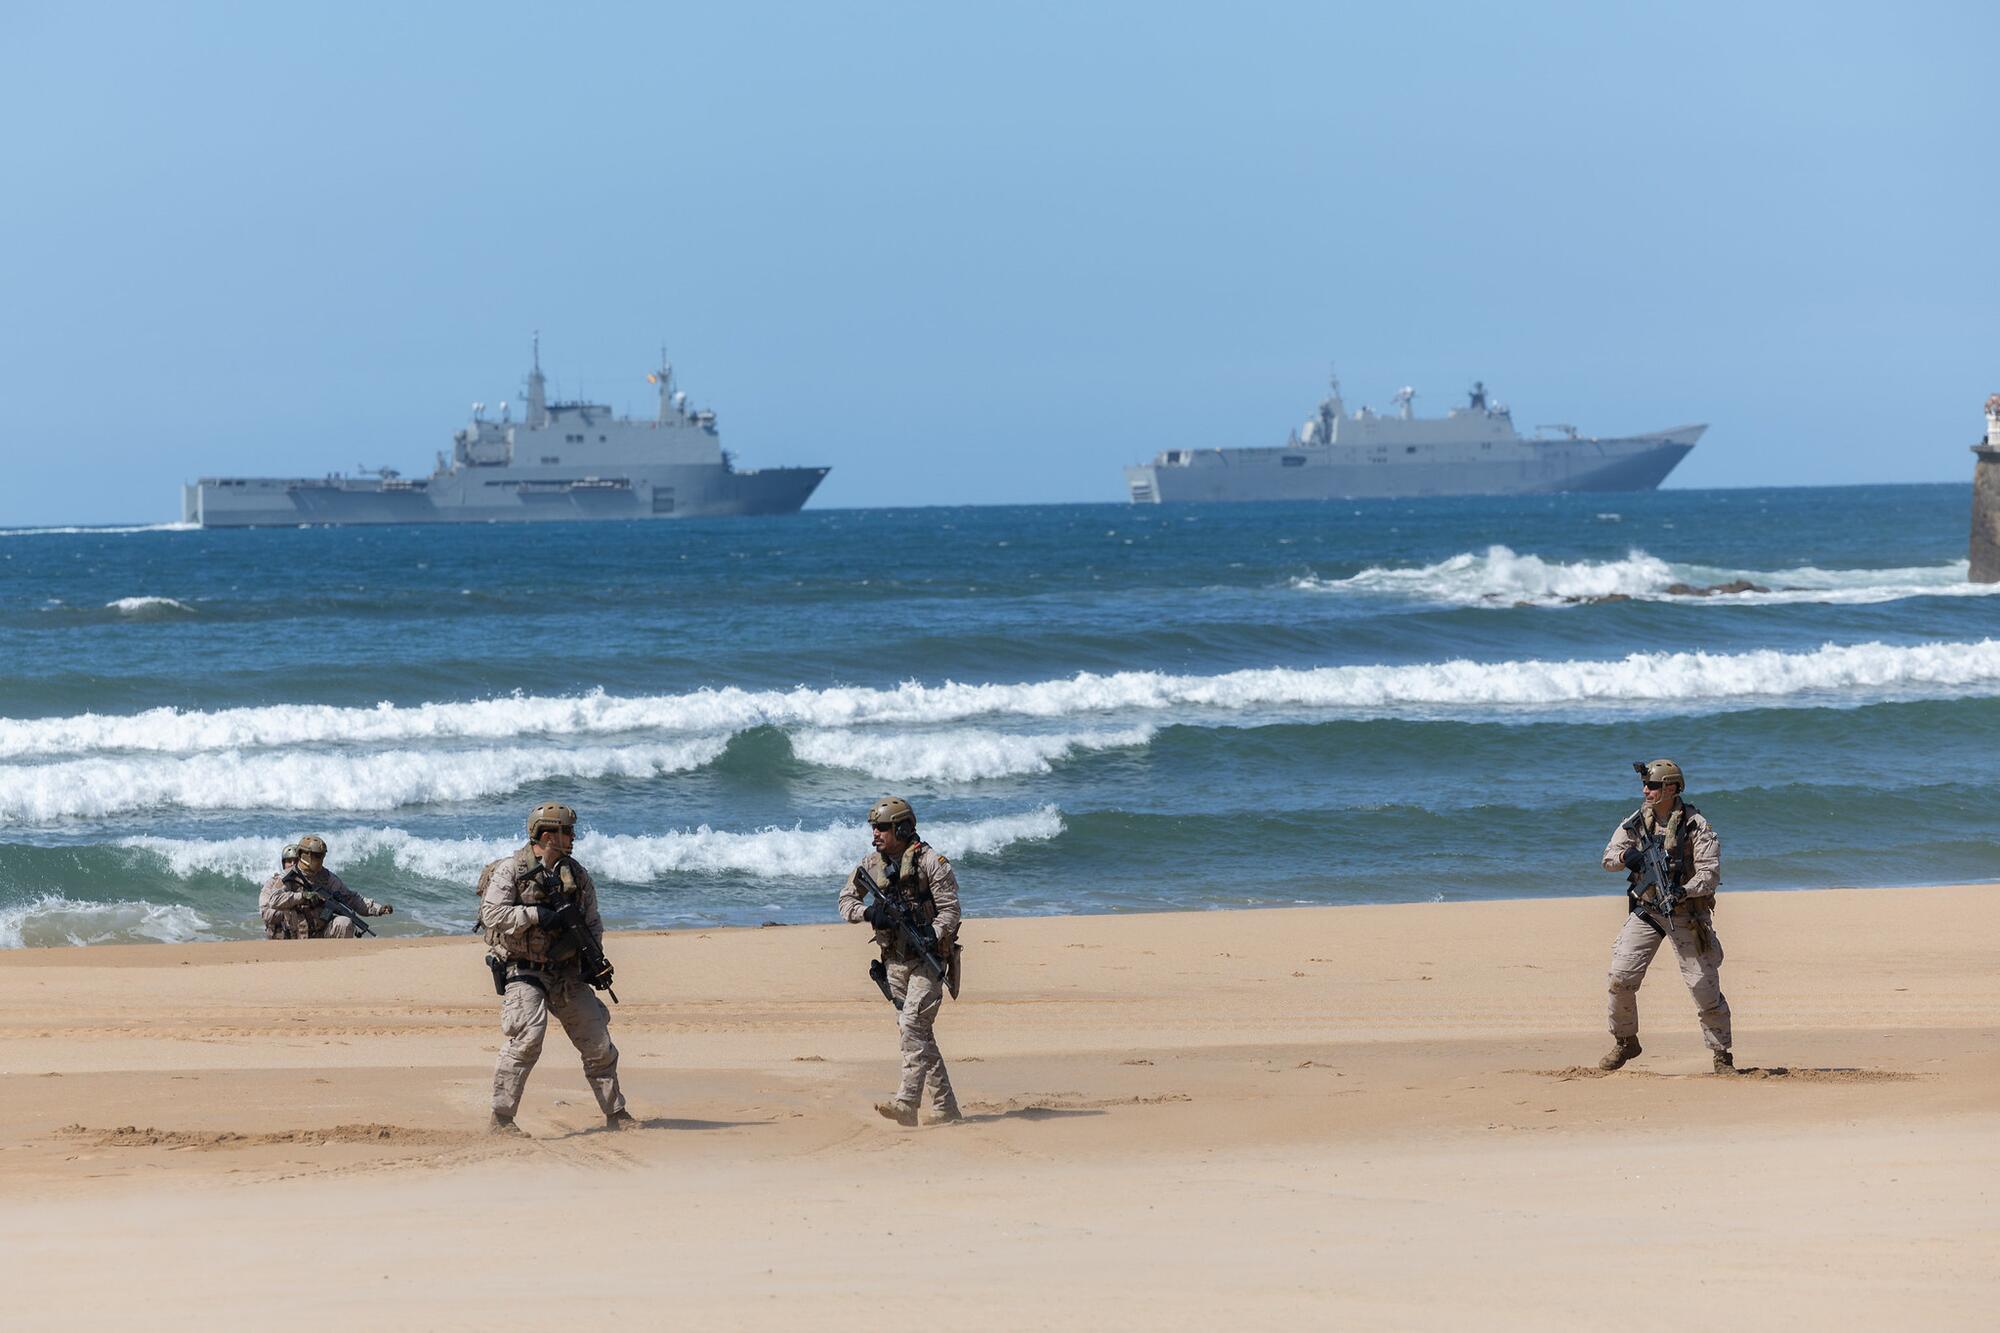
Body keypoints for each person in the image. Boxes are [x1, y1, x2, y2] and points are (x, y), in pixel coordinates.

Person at [478, 802, 633, 1136]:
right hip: (523, 967)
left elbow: (592, 922)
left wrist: (594, 959)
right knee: (526, 1038)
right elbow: (493, 914)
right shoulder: (512, 870)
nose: (573, 837)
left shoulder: (576, 874)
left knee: (596, 1041)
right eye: (567, 831)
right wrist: (535, 916)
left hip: (566, 971)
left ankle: (616, 1113)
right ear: (548, 835)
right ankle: (501, 1120)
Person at [1599, 759, 1734, 1074]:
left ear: (1672, 788)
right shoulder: (1635, 823)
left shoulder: (1695, 825)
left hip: (1684, 912)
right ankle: (1625, 1041)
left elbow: (1710, 874)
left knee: (1703, 985)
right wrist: (1626, 857)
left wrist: (1684, 891)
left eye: (1655, 786)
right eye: (1645, 785)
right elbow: (1607, 859)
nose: (1647, 790)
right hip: (1648, 910)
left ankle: (1721, 1054)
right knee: (1620, 978)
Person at [838, 796, 963, 1126]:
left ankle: (907, 1104)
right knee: (919, 1034)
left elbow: (951, 910)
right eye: (874, 828)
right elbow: (845, 902)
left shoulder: (931, 863)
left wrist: (932, 935)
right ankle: (947, 1109)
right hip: (893, 962)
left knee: (911, 1026)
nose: (875, 834)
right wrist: (870, 913)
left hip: (929, 959)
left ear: (903, 828)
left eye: (882, 828)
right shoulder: (871, 863)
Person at [264, 834, 393, 939]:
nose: (319, 859)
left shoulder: (327, 877)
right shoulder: (288, 876)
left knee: (344, 923)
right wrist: (302, 896)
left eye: (321, 856)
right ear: (304, 854)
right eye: (316, 856)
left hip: (322, 933)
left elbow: (351, 898)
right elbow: (274, 900)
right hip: (294, 937)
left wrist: (378, 909)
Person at [257, 842, 302, 938]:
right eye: (289, 861)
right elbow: (265, 913)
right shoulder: (272, 883)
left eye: (296, 861)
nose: (292, 864)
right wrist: (290, 909)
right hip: (280, 936)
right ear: (283, 864)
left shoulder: (306, 883)